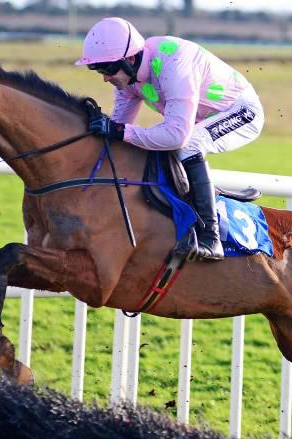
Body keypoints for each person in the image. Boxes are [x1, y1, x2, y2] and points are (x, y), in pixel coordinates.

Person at [75, 17, 265, 261]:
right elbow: (117, 131)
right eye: (98, 70)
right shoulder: (128, 78)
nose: (105, 77)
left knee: (188, 143)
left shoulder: (173, 64)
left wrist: (120, 131)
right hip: (197, 122)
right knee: (155, 142)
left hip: (242, 112)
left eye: (107, 69)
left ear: (129, 59)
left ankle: (210, 238)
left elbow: (176, 136)